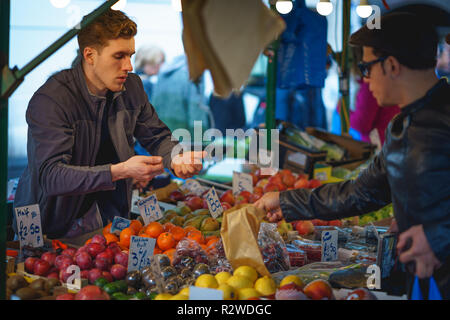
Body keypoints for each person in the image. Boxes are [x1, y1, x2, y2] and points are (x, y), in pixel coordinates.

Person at [255, 12, 450, 299]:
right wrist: (287, 201)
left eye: (366, 67)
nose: (364, 79)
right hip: (423, 278)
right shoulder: (400, 127)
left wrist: (439, 235)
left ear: (392, 65)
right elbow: (362, 193)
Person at [13, 9, 204, 239]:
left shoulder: (131, 88)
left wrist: (176, 156)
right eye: (119, 56)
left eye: (131, 55)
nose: (129, 66)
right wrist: (121, 171)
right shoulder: (52, 99)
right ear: (90, 55)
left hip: (105, 218)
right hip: (47, 222)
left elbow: (156, 135)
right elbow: (51, 176)